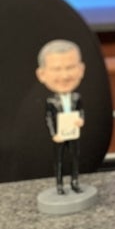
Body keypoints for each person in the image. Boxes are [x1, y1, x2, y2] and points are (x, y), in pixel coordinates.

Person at [36, 39, 86, 194]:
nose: (64, 76)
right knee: (59, 160)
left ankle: (74, 181)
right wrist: (54, 134)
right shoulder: (50, 101)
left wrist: (81, 121)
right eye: (57, 69)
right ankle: (59, 184)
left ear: (81, 70)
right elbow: (48, 118)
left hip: (73, 134)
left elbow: (81, 111)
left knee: (75, 158)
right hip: (59, 136)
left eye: (70, 68)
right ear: (42, 74)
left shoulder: (76, 97)